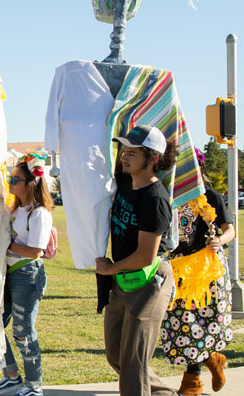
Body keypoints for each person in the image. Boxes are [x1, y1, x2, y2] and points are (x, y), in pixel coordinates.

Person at [95, 125, 177, 396]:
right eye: (123, 151)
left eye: (132, 153)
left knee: (134, 364)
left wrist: (110, 268)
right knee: (116, 355)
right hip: (123, 278)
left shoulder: (154, 198)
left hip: (149, 281)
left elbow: (145, 255)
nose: (124, 157)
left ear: (153, 158)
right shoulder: (125, 182)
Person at [160, 148, 234, 396]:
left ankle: (192, 382)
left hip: (207, 271)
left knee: (200, 321)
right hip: (178, 268)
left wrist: (220, 240)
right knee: (182, 323)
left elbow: (231, 230)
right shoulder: (168, 197)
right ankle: (211, 359)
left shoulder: (210, 196)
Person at [0, 153, 53, 396]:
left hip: (27, 275)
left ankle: (34, 386)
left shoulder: (40, 214)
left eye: (15, 179)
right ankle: (11, 376)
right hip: (7, 275)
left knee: (24, 332)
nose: (10, 182)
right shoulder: (15, 210)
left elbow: (35, 250)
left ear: (30, 184)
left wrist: (6, 243)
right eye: (10, 178)